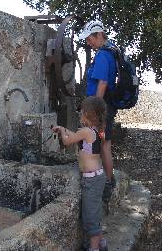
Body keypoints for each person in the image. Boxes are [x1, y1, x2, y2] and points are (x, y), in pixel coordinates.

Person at [52, 96, 108, 251]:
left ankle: (94, 248)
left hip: (92, 180)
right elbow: (76, 136)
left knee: (90, 216)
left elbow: (67, 141)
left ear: (88, 114)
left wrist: (63, 131)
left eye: (81, 111)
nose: (79, 114)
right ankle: (102, 244)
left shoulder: (85, 131)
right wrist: (64, 129)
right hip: (96, 177)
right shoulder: (93, 131)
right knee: (94, 211)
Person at [79, 20, 117, 201]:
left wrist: (95, 112)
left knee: (103, 145)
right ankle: (108, 179)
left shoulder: (103, 55)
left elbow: (102, 83)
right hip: (106, 106)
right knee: (104, 144)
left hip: (101, 108)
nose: (88, 43)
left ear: (99, 35)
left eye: (90, 39)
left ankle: (107, 183)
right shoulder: (111, 52)